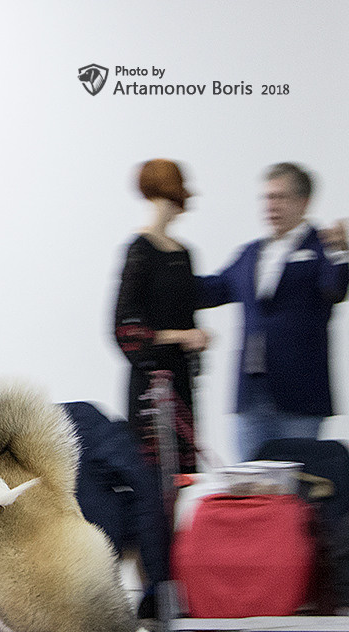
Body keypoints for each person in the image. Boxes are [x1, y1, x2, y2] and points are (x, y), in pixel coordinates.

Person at [198, 162, 349, 462]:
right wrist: (168, 267)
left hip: (300, 398)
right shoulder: (251, 254)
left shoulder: (321, 248)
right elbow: (212, 290)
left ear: (303, 202)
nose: (271, 205)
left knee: (298, 491)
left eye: (280, 197)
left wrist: (341, 252)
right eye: (267, 197)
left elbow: (336, 289)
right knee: (252, 494)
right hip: (252, 398)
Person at [114, 159, 210, 476]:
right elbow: (124, 327)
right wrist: (184, 336)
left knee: (185, 476)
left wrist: (193, 337)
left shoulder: (184, 253)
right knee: (154, 479)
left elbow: (186, 313)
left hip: (181, 383)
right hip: (151, 390)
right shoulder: (139, 250)